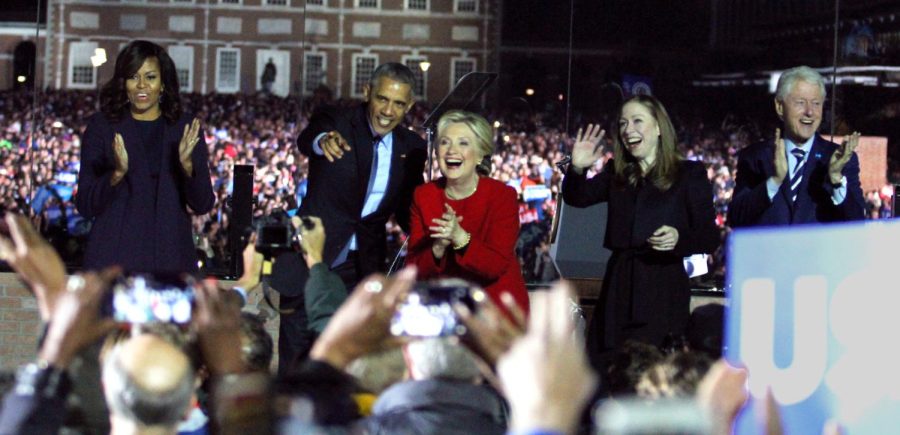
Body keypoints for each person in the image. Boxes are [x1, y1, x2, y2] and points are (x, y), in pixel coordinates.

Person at [271, 62, 426, 374]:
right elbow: (309, 138)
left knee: (349, 359)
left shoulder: (412, 147)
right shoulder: (337, 121)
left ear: (409, 105)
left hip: (363, 267)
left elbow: (408, 209)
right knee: (297, 355)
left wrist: (433, 239)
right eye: (382, 99)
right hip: (313, 256)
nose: (388, 111)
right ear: (367, 92)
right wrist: (322, 140)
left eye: (399, 104)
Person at [562, 95, 719, 369]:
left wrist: (679, 238)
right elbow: (577, 198)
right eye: (623, 123)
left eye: (637, 121)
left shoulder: (688, 174)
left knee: (654, 372)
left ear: (659, 128)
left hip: (663, 287)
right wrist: (577, 168)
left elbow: (709, 235)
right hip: (619, 285)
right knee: (605, 368)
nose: (627, 129)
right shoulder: (617, 173)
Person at [76, 40, 214, 274]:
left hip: (171, 260)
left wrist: (188, 167)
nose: (142, 85)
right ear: (123, 83)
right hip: (114, 259)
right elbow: (86, 205)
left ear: (163, 84)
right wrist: (116, 174)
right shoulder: (103, 127)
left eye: (150, 77)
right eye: (133, 77)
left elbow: (202, 204)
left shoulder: (185, 127)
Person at [406, 110, 529, 313]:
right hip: (444, 311)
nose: (451, 150)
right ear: (436, 152)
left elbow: (495, 266)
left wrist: (460, 238)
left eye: (463, 143)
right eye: (445, 142)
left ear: (480, 155)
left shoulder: (502, 196)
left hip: (496, 310)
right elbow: (414, 268)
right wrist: (437, 247)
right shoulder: (424, 195)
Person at [727, 66, 865, 227]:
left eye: (816, 103)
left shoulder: (840, 160)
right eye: (800, 103)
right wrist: (774, 181)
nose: (809, 112)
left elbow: (857, 224)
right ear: (780, 107)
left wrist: (835, 179)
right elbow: (735, 219)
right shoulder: (756, 157)